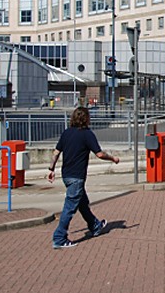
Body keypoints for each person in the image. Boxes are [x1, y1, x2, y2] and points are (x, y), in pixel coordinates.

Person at [48, 107, 120, 249]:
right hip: (77, 176)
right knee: (70, 207)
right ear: (86, 119)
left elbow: (56, 152)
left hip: (66, 175)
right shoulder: (87, 134)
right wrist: (113, 158)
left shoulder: (66, 133)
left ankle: (95, 226)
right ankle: (59, 238)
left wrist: (51, 169)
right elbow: (99, 154)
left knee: (82, 202)